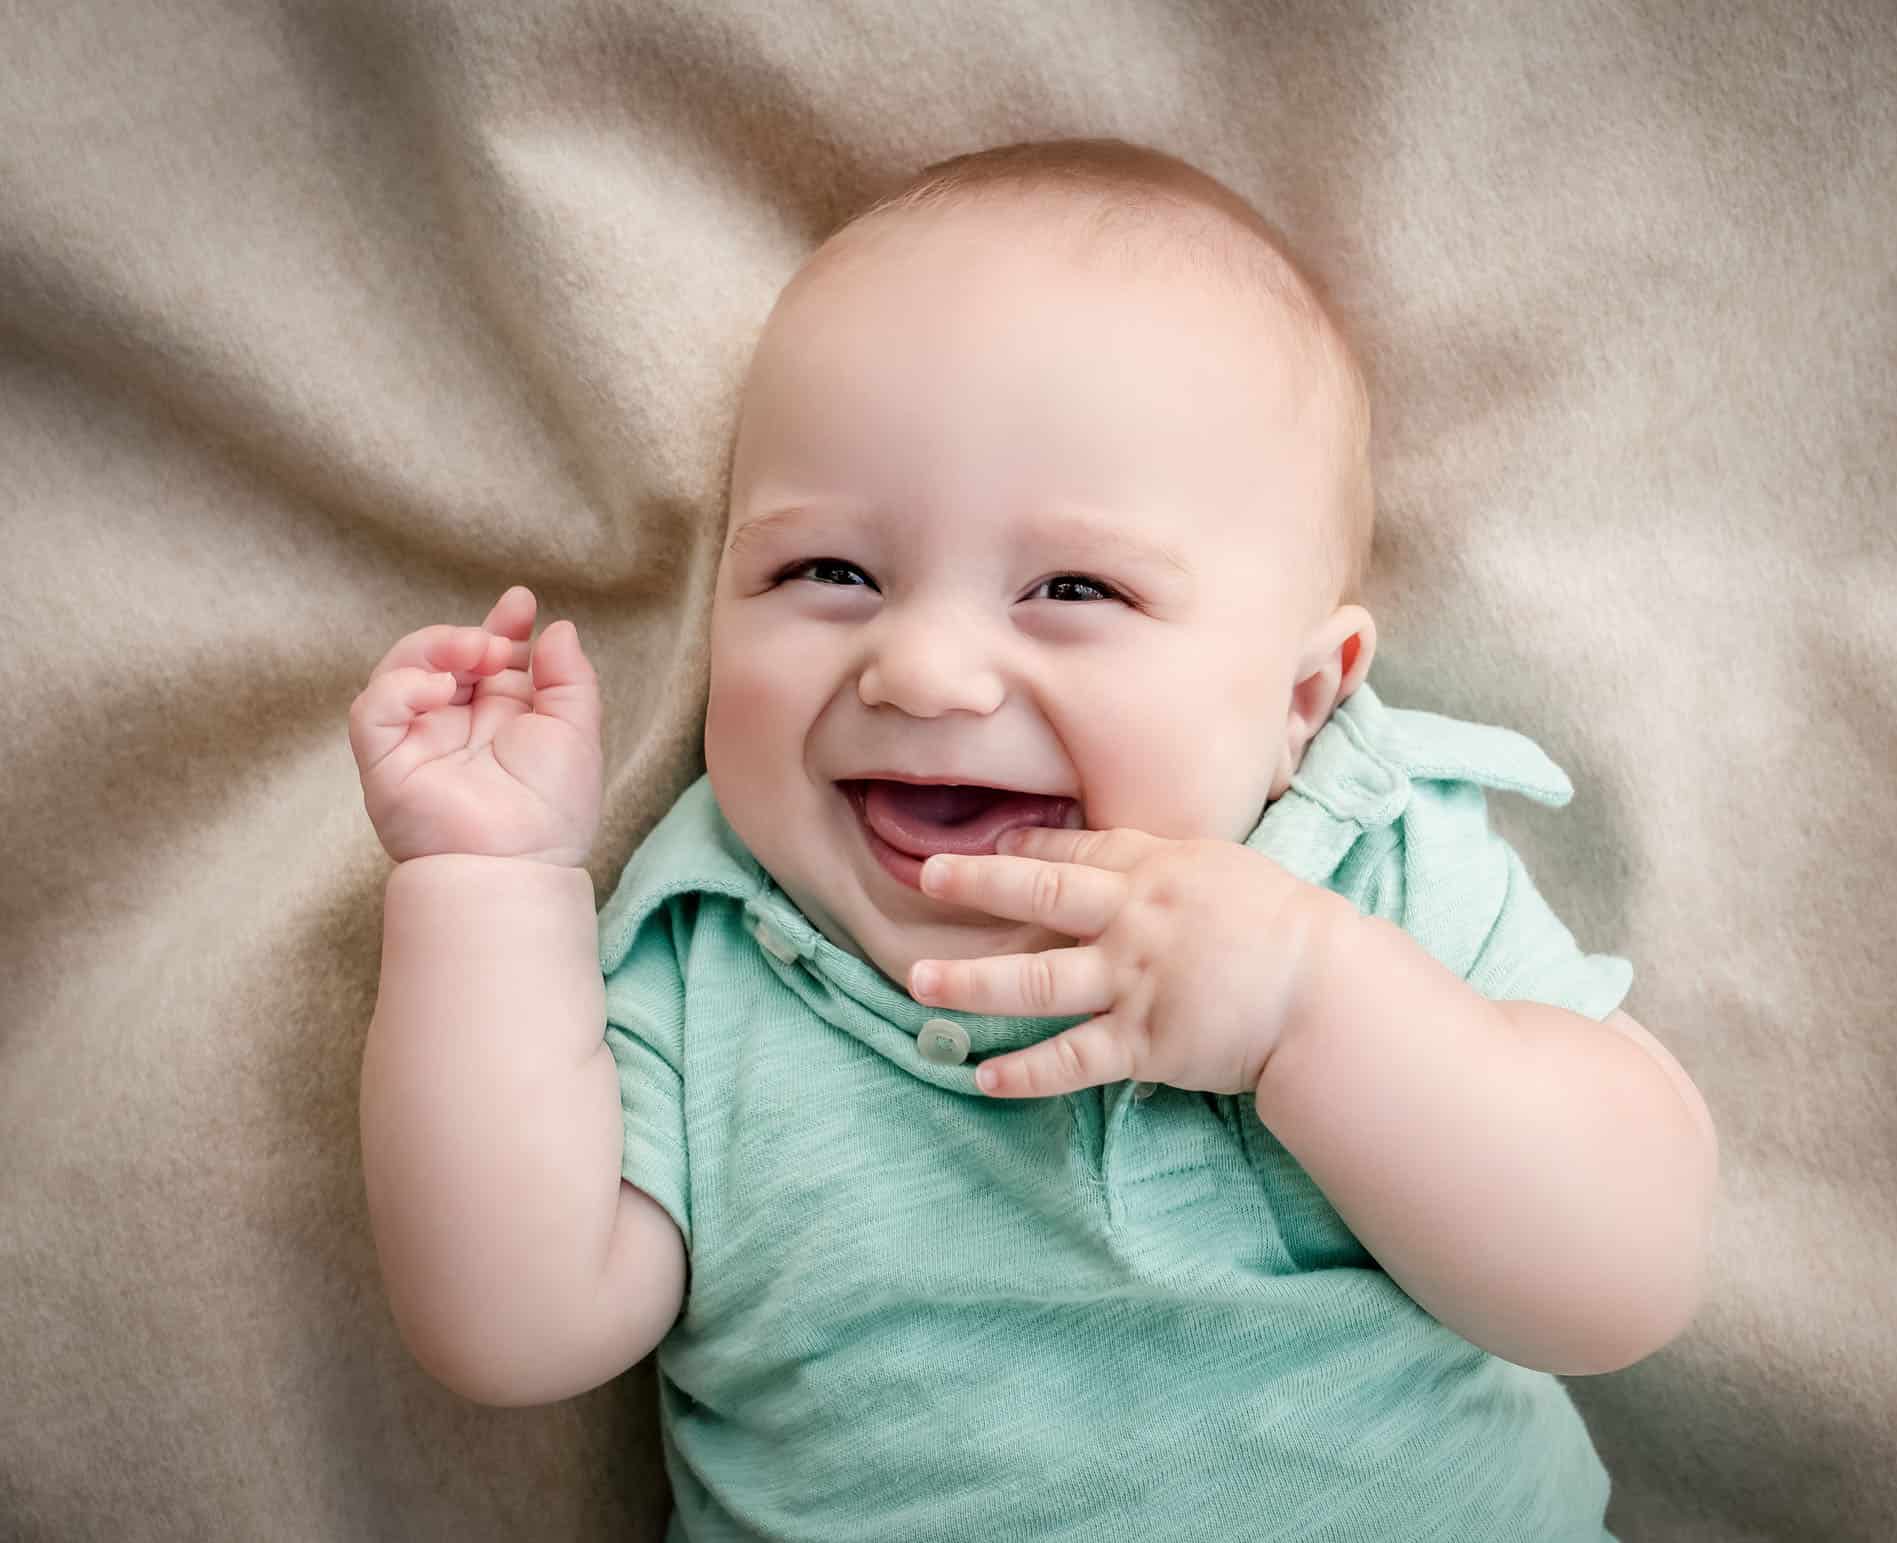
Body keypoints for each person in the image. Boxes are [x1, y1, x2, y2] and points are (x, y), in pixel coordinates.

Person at [349, 137, 1717, 1542]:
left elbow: (1625, 1279)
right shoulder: (725, 947)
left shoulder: (1365, 868)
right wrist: (488, 881)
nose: (924, 670)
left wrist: (1311, 1009)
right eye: (828, 571)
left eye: (1073, 587)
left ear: (1300, 703)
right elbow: (507, 1323)